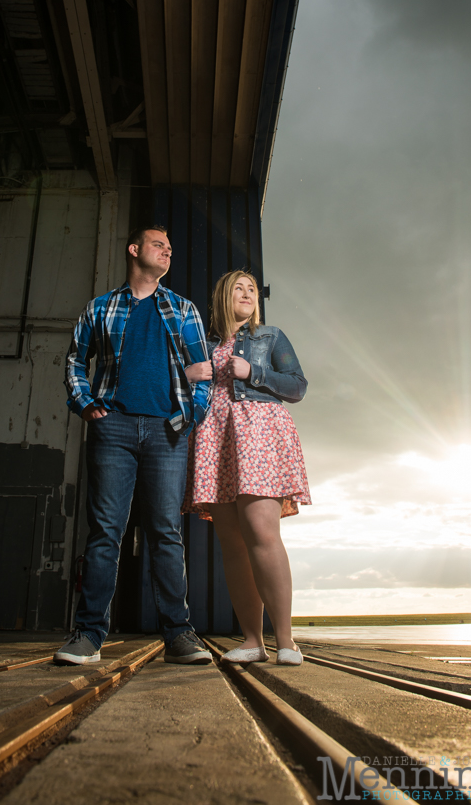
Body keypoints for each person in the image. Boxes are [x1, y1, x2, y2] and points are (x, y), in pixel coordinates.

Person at [55, 226, 214, 666]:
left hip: (167, 430)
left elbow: (205, 372)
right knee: (106, 532)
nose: (167, 251)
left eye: (169, 247)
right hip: (114, 428)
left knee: (166, 533)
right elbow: (74, 360)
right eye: (158, 244)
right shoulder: (101, 307)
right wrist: (84, 403)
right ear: (134, 250)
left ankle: (179, 636)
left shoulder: (182, 309)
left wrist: (192, 417)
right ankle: (88, 635)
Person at [183, 270, 310, 665]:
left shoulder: (269, 337)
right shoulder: (200, 343)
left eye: (252, 289)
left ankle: (286, 641)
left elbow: (297, 386)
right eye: (238, 287)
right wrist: (185, 377)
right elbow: (179, 392)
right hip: (214, 438)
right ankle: (252, 640)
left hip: (257, 435)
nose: (247, 293)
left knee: (261, 532)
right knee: (232, 544)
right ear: (223, 295)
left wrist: (253, 372)